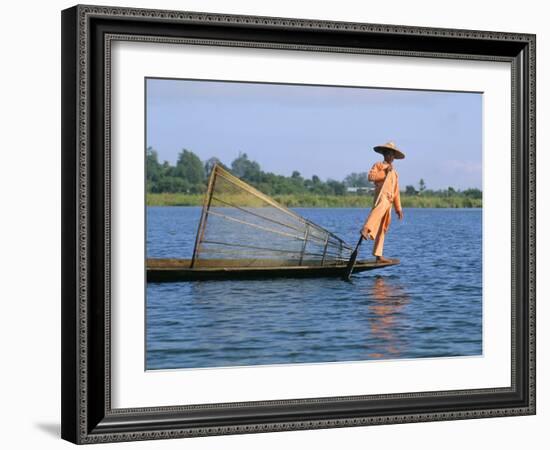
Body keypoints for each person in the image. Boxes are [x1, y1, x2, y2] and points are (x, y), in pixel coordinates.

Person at [361, 141, 405, 263]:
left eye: (392, 155)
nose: (390, 157)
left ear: (394, 157)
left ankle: (378, 254)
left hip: (389, 201)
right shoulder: (379, 165)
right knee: (376, 213)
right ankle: (366, 229)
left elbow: (396, 192)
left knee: (383, 227)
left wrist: (398, 208)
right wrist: (384, 172)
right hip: (381, 197)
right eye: (388, 154)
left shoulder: (395, 173)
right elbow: (371, 177)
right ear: (384, 154)